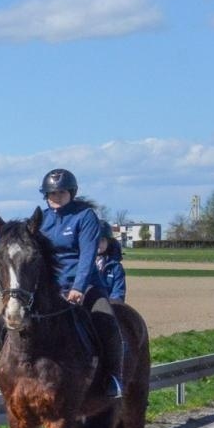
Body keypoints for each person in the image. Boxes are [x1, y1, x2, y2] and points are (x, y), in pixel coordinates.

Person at [37, 168, 125, 397]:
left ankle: (113, 377)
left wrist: (78, 287)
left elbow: (87, 255)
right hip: (51, 289)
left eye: (61, 192)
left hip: (85, 285)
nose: (56, 197)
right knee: (9, 324)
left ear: (71, 193)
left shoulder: (85, 216)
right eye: (52, 193)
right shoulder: (41, 220)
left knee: (106, 319)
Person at [95, 232, 127, 302]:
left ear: (108, 242)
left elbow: (118, 292)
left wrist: (108, 306)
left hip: (108, 306)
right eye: (95, 238)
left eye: (102, 240)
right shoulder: (80, 264)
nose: (98, 243)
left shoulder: (116, 267)